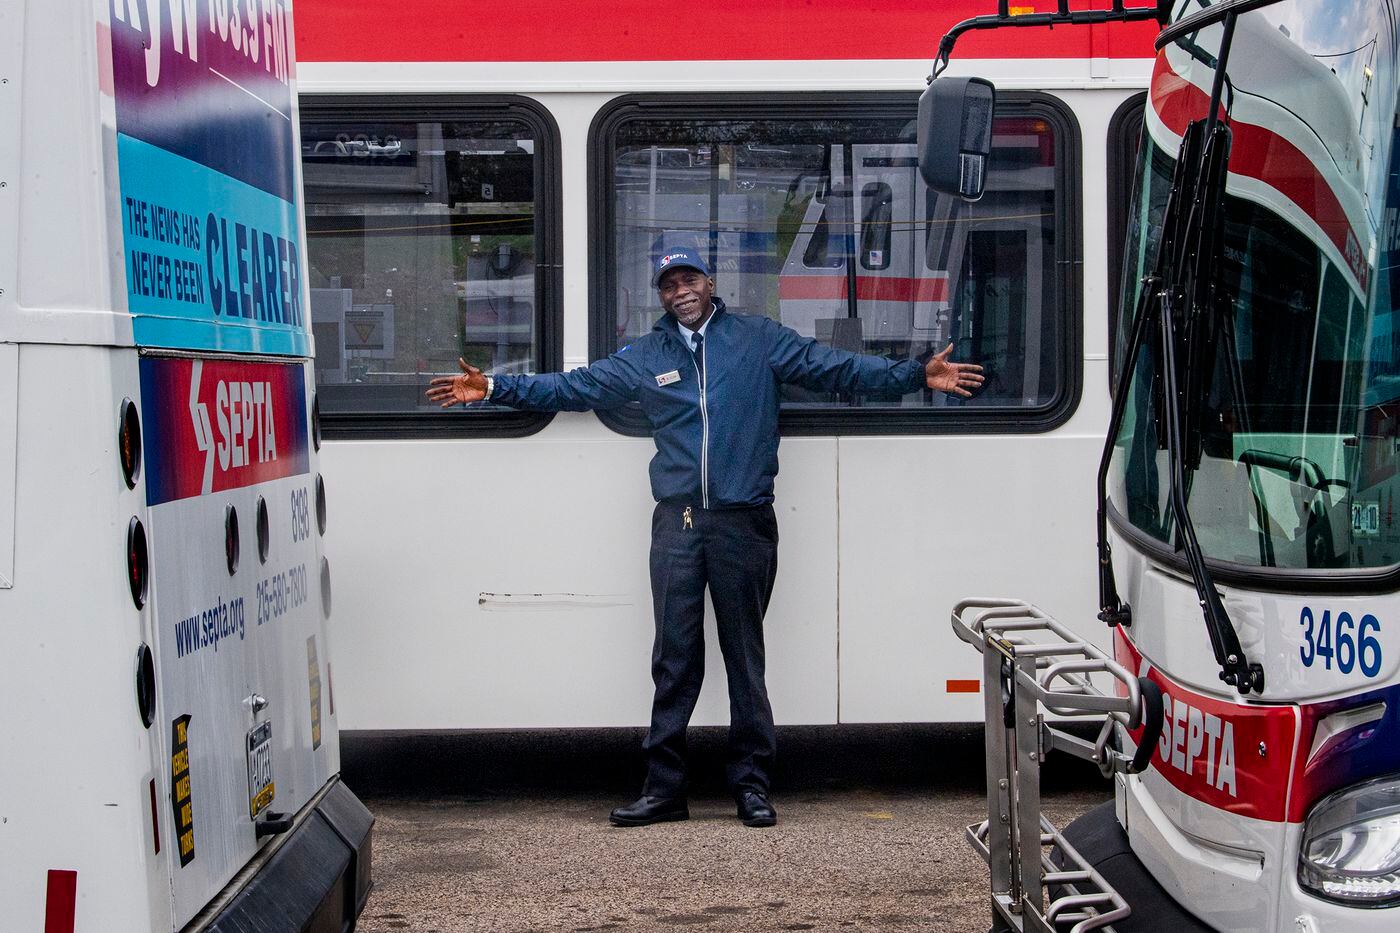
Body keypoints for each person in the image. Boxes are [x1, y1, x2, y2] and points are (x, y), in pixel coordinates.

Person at [426, 246, 983, 828]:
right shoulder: (648, 354)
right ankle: (665, 789)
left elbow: (838, 368)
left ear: (710, 283)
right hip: (678, 524)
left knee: (745, 658)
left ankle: (752, 786)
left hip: (744, 521)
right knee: (674, 659)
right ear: (660, 296)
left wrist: (915, 373)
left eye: (689, 278)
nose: (680, 291)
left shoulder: (758, 338)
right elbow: (576, 388)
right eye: (668, 284)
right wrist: (494, 387)